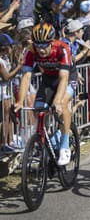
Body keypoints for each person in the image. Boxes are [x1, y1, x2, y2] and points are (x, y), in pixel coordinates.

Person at [13, 23, 74, 165]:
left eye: (44, 45)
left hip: (68, 77)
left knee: (62, 104)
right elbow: (26, 76)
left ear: (51, 42)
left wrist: (57, 101)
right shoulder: (31, 50)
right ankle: (45, 141)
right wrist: (19, 101)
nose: (40, 49)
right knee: (39, 109)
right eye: (37, 44)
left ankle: (65, 144)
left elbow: (64, 77)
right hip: (48, 80)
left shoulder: (62, 48)